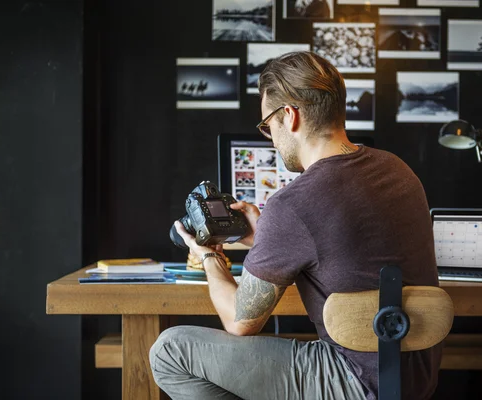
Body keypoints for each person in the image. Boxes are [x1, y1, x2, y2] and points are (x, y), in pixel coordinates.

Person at [150, 51, 441, 400]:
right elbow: (352, 251)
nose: (270, 138)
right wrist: (267, 238)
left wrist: (209, 253)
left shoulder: (294, 203)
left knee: (169, 350)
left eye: (267, 125)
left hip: (353, 382)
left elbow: (240, 322)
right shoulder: (398, 170)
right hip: (414, 378)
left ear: (289, 116)